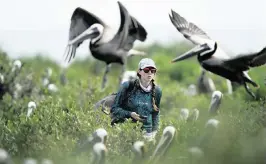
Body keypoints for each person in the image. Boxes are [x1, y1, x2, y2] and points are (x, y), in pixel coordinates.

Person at [110, 58, 162, 140]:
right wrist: (130, 114)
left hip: (147, 136)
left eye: (153, 70)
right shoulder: (127, 86)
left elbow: (155, 114)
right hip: (126, 133)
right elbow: (114, 109)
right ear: (139, 71)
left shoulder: (157, 91)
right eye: (146, 70)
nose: (150, 73)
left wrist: (154, 132)